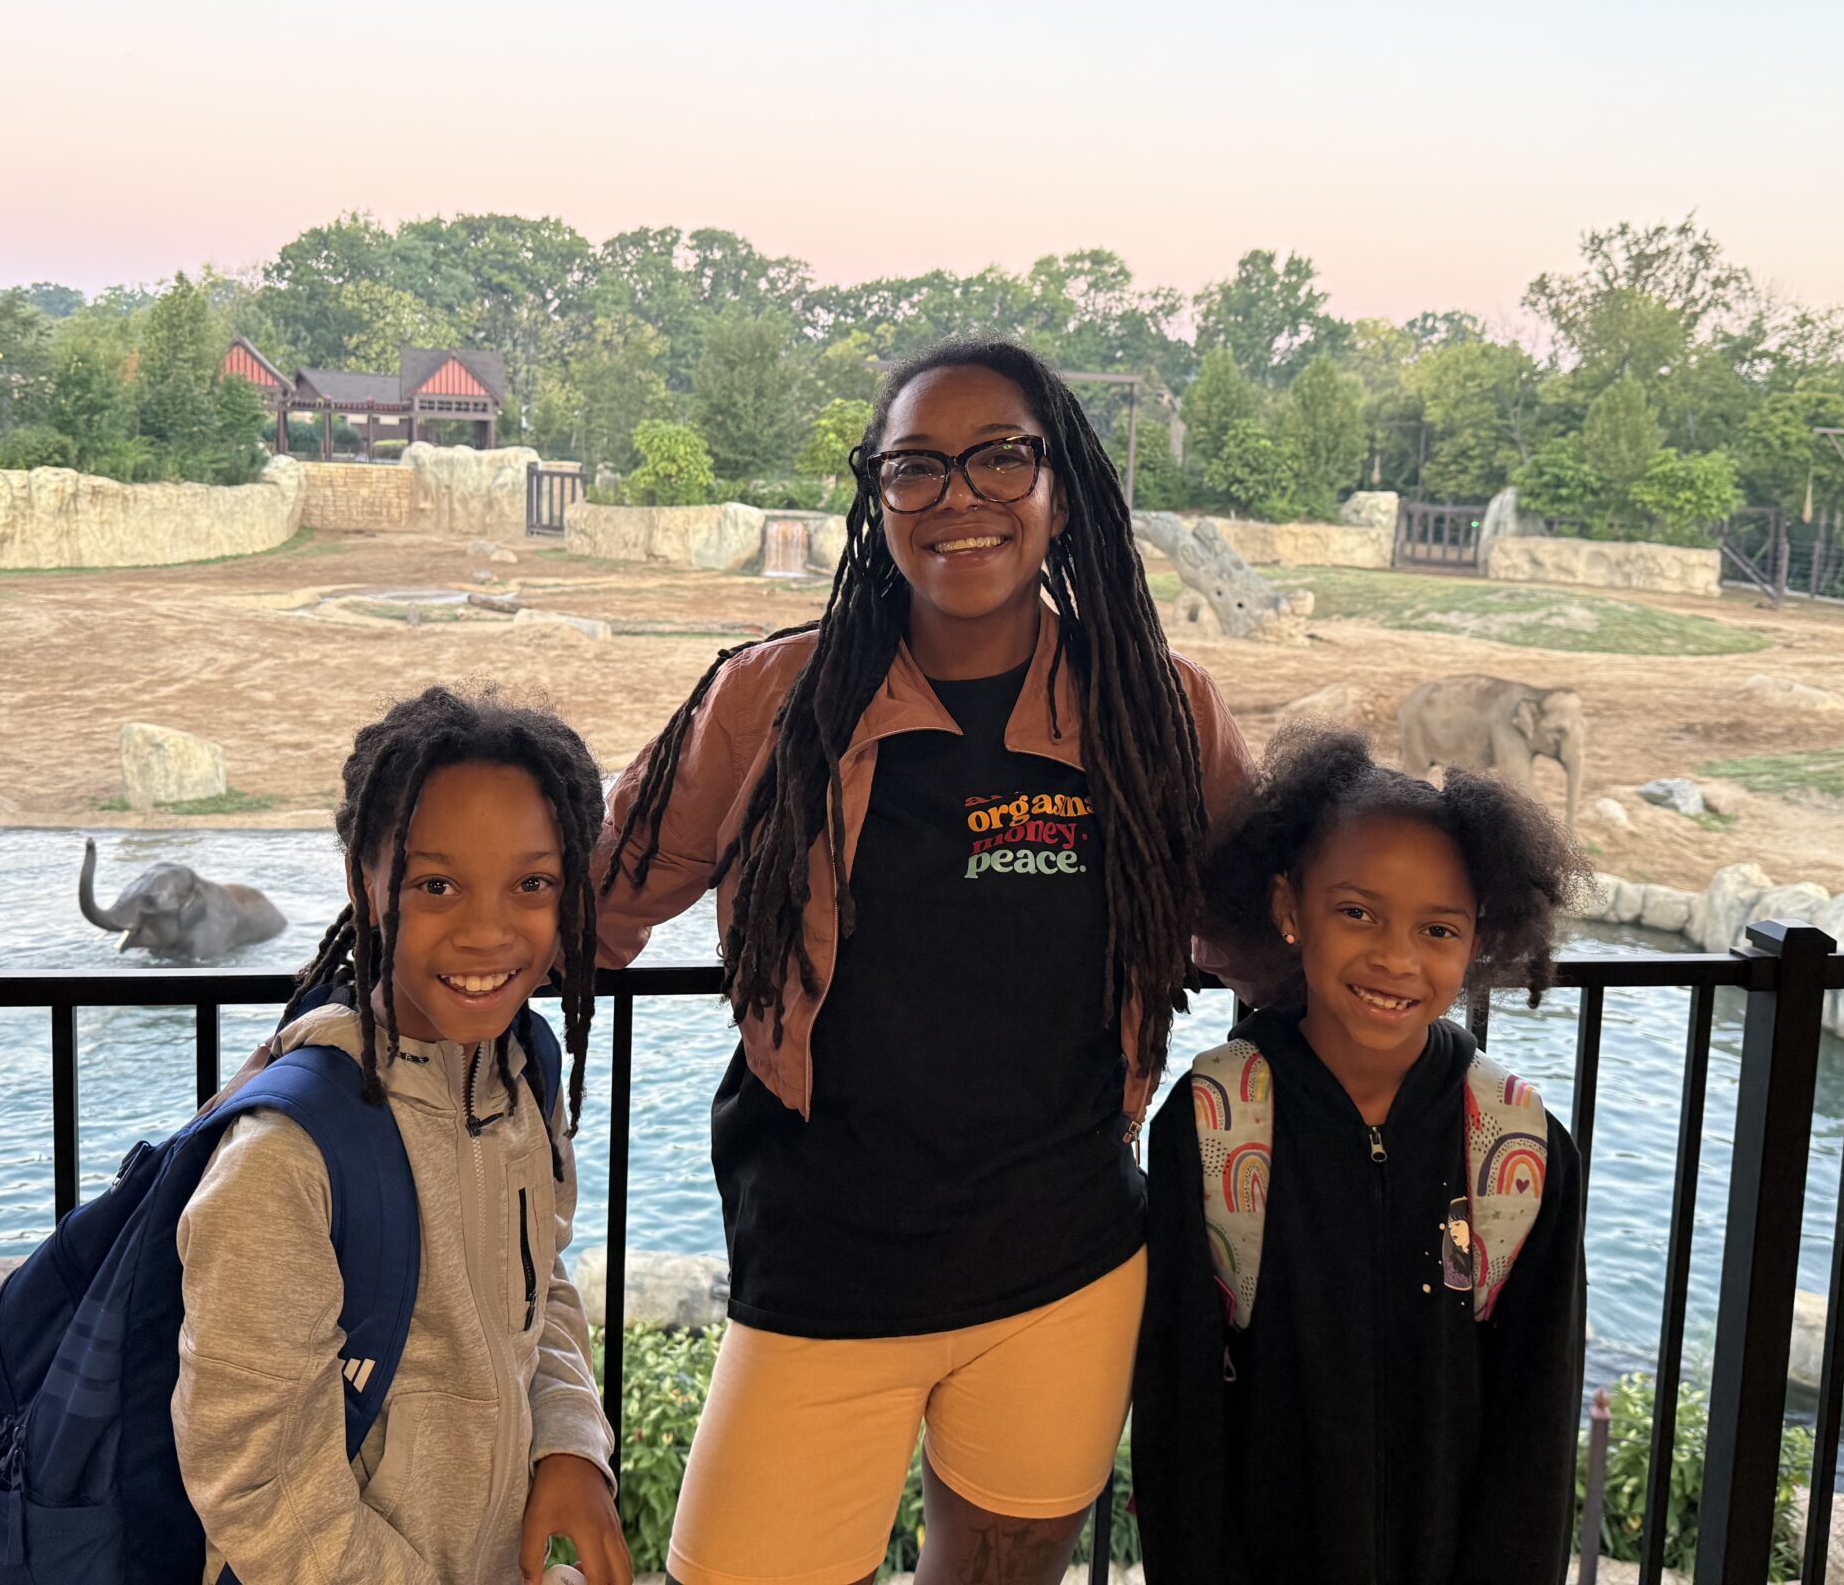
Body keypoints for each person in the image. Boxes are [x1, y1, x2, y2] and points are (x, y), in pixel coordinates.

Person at [596, 340, 1252, 1585]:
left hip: (1062, 1267)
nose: (959, 496)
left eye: (1001, 457)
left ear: (1064, 490)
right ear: (875, 498)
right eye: (916, 467)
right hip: (823, 1263)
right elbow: (593, 901)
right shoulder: (770, 701)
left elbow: (1269, 939)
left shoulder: (1160, 713)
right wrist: (374, 1018)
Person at [174, 688, 633, 1585]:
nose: (489, 930)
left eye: (532, 883)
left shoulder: (519, 1076)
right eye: (437, 885)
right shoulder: (285, 1161)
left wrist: (571, 1442)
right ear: (367, 888)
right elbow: (254, 1483)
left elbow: (537, 1288)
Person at [1133, 728, 1590, 1585]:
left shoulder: (1516, 1146)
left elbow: (1536, 1429)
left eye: (1438, 929)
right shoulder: (1215, 1121)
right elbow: (1177, 1418)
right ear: (1286, 911)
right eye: (1357, 912)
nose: (1397, 957)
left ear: (1476, 940)